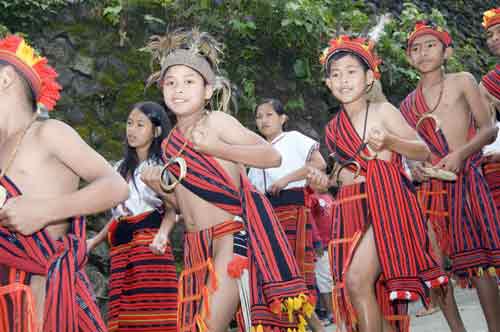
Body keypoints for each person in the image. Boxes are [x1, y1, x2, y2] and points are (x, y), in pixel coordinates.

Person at [140, 28, 312, 332]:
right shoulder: (168, 145)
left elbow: (272, 157)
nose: (178, 89)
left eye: (189, 82)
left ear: (208, 91)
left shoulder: (217, 122)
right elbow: (184, 206)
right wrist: (160, 189)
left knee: (205, 327)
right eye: (171, 83)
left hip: (229, 237)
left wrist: (216, 148)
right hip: (195, 247)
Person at [306, 35, 448, 332]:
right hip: (349, 209)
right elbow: (340, 176)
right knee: (361, 292)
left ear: (370, 78)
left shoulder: (384, 112)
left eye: (351, 72)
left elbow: (422, 150)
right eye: (336, 74)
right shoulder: (332, 128)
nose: (343, 80)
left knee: (358, 281)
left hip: (386, 206)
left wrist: (392, 140)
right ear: (328, 83)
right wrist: (323, 181)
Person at [0, 35, 129, 331]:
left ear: (6, 78)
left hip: (38, 296)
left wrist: (45, 210)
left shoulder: (49, 133)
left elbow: (115, 186)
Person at [399, 20, 500, 332]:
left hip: (468, 180)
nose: (423, 52)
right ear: (408, 58)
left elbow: (489, 128)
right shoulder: (406, 104)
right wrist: (414, 169)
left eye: (430, 45)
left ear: (447, 51)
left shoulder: (462, 81)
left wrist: (460, 154)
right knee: (434, 265)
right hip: (431, 191)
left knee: (481, 264)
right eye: (415, 48)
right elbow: (411, 152)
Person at [87, 101, 178, 332]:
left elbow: (173, 209)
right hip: (120, 249)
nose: (132, 130)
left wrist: (163, 235)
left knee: (151, 316)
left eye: (140, 124)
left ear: (156, 131)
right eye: (129, 123)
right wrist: (94, 241)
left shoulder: (162, 167)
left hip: (149, 247)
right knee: (123, 318)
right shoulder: (119, 169)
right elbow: (119, 215)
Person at [247, 98, 327, 331]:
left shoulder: (293, 139)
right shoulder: (256, 151)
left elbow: (319, 164)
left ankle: (316, 326)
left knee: (295, 273)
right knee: (278, 277)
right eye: (259, 116)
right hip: (267, 218)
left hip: (291, 210)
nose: (263, 120)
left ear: (283, 118)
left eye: (269, 115)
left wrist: (285, 179)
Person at [481, 8, 500, 213]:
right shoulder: (488, 84)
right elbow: (485, 133)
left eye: (499, 32)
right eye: (490, 35)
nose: (494, 38)